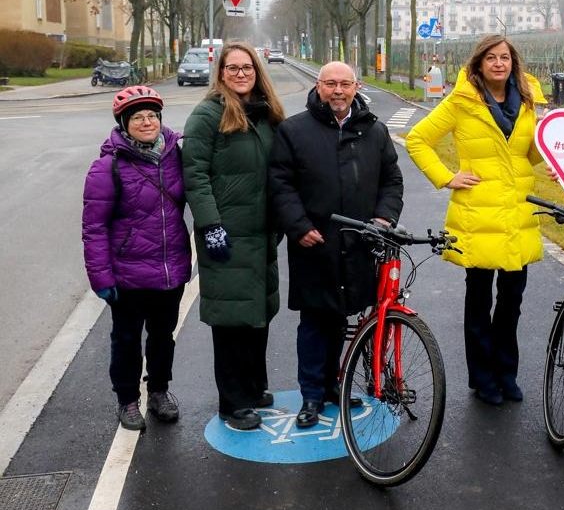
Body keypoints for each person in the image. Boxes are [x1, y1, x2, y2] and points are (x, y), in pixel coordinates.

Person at [406, 34, 547, 406]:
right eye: (491, 58)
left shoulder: (528, 100)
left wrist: (550, 152)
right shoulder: (462, 101)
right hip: (477, 214)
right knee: (479, 302)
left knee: (512, 301)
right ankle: (483, 378)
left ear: (513, 63)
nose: (499, 63)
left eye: (505, 57)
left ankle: (507, 374)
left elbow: (529, 153)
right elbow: (418, 139)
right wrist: (446, 176)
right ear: (479, 64)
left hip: (517, 212)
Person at [269, 61, 403, 428]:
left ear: (356, 86)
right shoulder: (294, 130)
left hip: (360, 242)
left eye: (345, 84)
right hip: (315, 243)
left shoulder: (374, 131)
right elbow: (280, 183)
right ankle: (312, 394)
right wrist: (298, 226)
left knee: (343, 317)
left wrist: (383, 219)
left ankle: (333, 386)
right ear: (318, 86)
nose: (338, 91)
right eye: (330, 84)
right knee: (315, 320)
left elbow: (391, 180)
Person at [183, 41, 286, 430]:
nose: (241, 74)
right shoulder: (207, 115)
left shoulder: (266, 114)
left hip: (262, 232)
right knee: (231, 321)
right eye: (233, 68)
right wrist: (211, 225)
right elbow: (195, 175)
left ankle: (254, 387)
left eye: (247, 68)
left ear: (257, 72)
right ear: (221, 73)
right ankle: (233, 402)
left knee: (258, 313)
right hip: (226, 234)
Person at [81, 86, 192, 431]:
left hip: (170, 268)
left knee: (163, 336)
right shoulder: (107, 167)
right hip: (128, 274)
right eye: (138, 118)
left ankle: (159, 390)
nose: (147, 122)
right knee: (127, 339)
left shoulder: (177, 156)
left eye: (152, 116)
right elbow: (94, 228)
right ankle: (127, 399)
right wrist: (101, 278)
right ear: (124, 124)